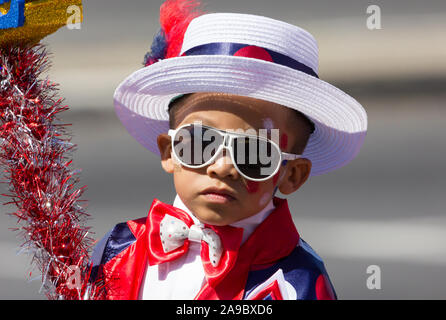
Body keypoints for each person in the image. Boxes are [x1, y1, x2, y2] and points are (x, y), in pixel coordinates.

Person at [89, 0, 367, 300]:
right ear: (169, 152)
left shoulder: (297, 283)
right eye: (199, 142)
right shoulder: (119, 249)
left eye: (254, 153)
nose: (221, 167)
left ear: (292, 175)